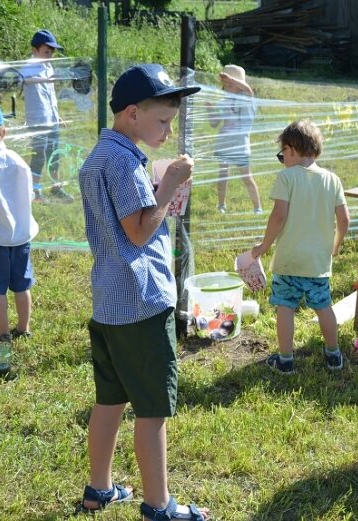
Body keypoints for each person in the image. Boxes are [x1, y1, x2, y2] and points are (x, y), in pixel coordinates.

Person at [77, 64, 209, 521]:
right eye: (162, 121)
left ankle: (100, 489)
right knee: (152, 409)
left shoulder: (101, 155)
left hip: (109, 300)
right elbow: (137, 232)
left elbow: (122, 221)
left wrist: (156, 188)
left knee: (109, 400)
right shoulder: (124, 160)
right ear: (133, 113)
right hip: (141, 300)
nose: (168, 130)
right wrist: (169, 184)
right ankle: (160, 506)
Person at [251, 119, 350, 374]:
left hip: (289, 259)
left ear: (291, 149)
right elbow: (344, 219)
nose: (281, 159)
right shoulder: (333, 179)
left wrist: (263, 246)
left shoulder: (286, 177)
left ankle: (285, 359)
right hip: (318, 261)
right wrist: (336, 246)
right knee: (323, 306)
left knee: (286, 307)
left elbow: (278, 216)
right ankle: (334, 355)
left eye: (281, 154)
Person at [0, 105, 38, 343]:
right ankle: (24, 328)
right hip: (21, 236)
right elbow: (29, 195)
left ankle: (2, 334)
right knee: (22, 285)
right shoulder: (17, 161)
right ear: (4, 132)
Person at [20, 30, 73, 202]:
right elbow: (24, 80)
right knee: (39, 155)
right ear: (34, 50)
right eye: (46, 52)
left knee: (54, 154)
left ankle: (55, 187)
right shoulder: (28, 65)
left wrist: (58, 116)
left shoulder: (48, 66)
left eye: (51, 53)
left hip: (51, 119)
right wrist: (43, 80)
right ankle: (34, 190)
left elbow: (51, 96)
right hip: (37, 121)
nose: (50, 56)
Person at [208, 64, 262, 214]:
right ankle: (221, 205)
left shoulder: (247, 100)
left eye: (231, 83)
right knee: (223, 174)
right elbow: (214, 123)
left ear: (240, 84)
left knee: (246, 176)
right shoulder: (222, 102)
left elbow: (248, 90)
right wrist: (209, 110)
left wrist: (232, 79)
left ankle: (257, 207)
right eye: (226, 84)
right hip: (224, 142)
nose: (228, 86)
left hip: (240, 144)